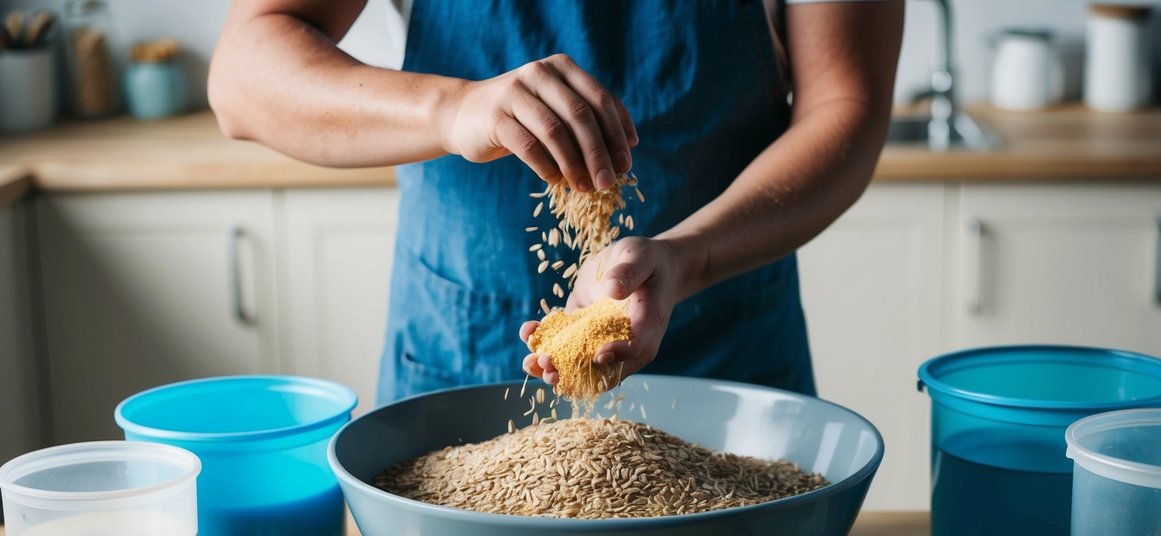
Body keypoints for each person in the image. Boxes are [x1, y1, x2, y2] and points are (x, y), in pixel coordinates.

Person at [209, 0, 904, 403]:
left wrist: (687, 260)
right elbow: (243, 75)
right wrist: (450, 110)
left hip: (723, 342)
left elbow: (847, 103)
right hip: (466, 342)